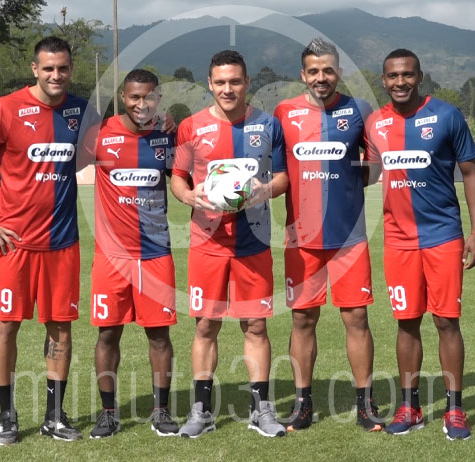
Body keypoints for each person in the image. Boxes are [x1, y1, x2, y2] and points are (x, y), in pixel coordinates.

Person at [0, 36, 92, 445]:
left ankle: (54, 416)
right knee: (5, 326)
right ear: (35, 69)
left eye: (62, 68)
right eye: (48, 68)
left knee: (60, 329)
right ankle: (7, 416)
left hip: (62, 242)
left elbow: (120, 141)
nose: (56, 75)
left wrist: (163, 125)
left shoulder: (82, 112)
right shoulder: (5, 109)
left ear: (71, 69)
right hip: (12, 244)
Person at [363, 48, 475, 441]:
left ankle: (455, 409)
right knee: (407, 321)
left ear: (420, 76)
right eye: (393, 76)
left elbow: (470, 172)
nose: (401, 82)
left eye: (408, 74)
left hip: (443, 236)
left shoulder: (447, 115)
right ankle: (409, 407)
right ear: (384, 80)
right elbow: (367, 172)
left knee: (446, 320)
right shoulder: (375, 123)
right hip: (398, 240)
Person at [170, 50, 289, 438]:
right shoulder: (191, 127)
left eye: (235, 81)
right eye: (220, 82)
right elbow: (178, 178)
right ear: (209, 83)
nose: (227, 89)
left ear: (246, 82)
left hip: (253, 242)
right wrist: (190, 196)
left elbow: (284, 177)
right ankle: (201, 411)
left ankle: (261, 409)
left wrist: (265, 189)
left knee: (255, 325)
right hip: (208, 243)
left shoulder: (268, 125)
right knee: (206, 324)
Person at [273, 37, 384, 433]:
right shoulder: (284, 113)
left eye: (328, 70)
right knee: (303, 319)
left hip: (349, 238)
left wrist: (350, 180)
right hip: (301, 241)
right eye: (314, 71)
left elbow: (376, 165)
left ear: (339, 72)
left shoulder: (360, 110)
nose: (321, 77)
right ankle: (303, 405)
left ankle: (365, 404)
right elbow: (276, 169)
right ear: (303, 75)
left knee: (357, 317)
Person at [87, 69, 180, 439]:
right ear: (123, 98)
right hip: (111, 257)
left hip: (156, 253)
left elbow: (184, 180)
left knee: (159, 336)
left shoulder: (167, 135)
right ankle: (108, 413)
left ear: (158, 98)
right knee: (108, 335)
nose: (142, 104)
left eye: (149, 97)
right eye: (134, 97)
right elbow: (56, 167)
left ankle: (161, 411)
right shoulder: (99, 135)